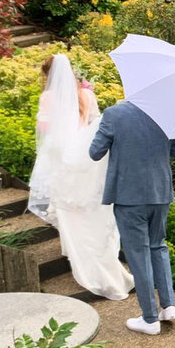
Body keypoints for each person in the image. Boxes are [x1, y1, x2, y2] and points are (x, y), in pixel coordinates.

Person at [27, 54, 135, 300]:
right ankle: (107, 267)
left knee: (70, 213)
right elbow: (96, 125)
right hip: (86, 159)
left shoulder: (48, 98)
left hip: (62, 162)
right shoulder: (87, 94)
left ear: (48, 76)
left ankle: (81, 259)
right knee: (91, 212)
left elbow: (44, 131)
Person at [89, 98, 175, 335]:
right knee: (158, 246)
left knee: (138, 253)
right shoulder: (168, 112)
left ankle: (150, 318)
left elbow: (94, 152)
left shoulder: (114, 114)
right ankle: (168, 305)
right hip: (160, 192)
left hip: (129, 194)